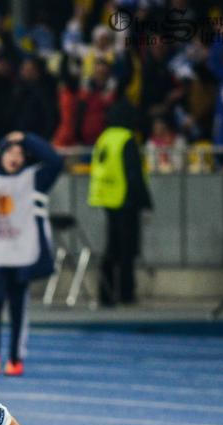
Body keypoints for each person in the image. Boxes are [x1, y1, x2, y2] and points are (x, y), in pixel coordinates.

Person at [0, 131, 64, 377]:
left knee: (19, 307)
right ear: (0, 154)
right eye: (10, 151)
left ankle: (16, 358)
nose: (15, 157)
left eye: (20, 153)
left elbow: (55, 162)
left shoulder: (33, 178)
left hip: (23, 252)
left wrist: (27, 139)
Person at [88, 101, 151, 307]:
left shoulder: (104, 138)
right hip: (125, 199)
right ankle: (126, 293)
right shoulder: (126, 139)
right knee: (126, 250)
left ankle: (105, 293)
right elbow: (133, 173)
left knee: (111, 248)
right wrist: (145, 201)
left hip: (106, 198)